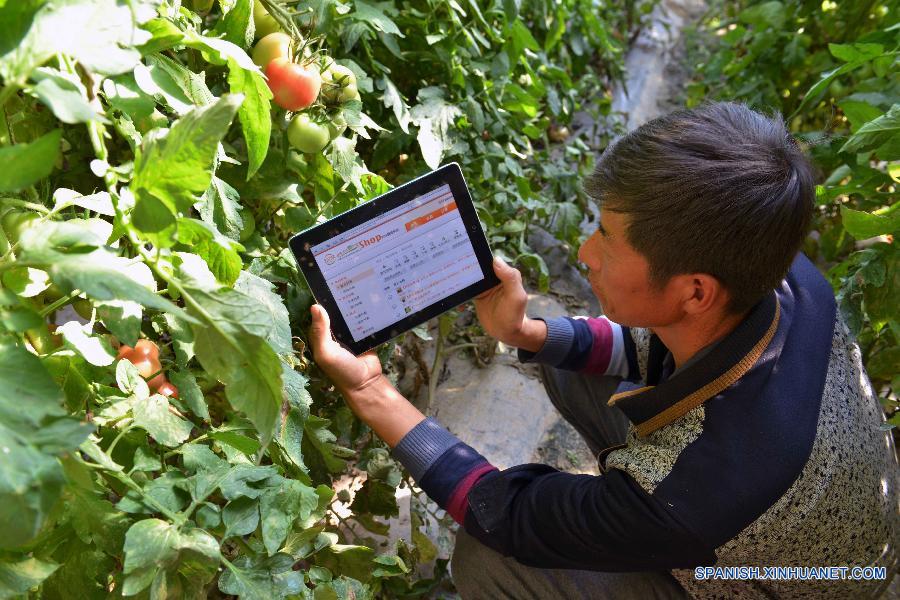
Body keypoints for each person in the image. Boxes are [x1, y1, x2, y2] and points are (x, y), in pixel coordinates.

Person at [308, 102, 899, 599]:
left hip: (791, 582)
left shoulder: (696, 491)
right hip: (815, 524)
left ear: (695, 290)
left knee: (491, 558)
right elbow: (649, 343)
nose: (585, 252)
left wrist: (371, 392)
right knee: (568, 367)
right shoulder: (777, 266)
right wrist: (527, 335)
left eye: (608, 241)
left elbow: (506, 513)